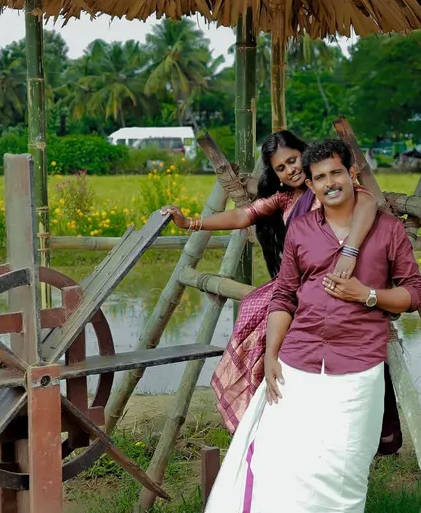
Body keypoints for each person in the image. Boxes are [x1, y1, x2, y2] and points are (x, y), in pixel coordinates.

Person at [186, 138, 421, 513]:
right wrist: (271, 354)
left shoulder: (387, 231)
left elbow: (415, 292)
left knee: (343, 476)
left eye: (335, 173)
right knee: (266, 463)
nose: (329, 183)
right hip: (296, 359)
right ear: (309, 184)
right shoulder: (301, 230)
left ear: (350, 171)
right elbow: (285, 297)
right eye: (319, 178)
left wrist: (368, 296)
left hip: (357, 367)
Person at [163, 131, 401, 448]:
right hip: (305, 283)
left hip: (346, 280)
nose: (290, 170)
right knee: (254, 318)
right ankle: (269, 420)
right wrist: (190, 222)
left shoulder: (334, 186)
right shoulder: (286, 199)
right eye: (280, 168)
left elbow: (367, 204)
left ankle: (360, 430)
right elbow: (242, 215)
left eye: (293, 160)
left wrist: (350, 251)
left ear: (306, 154)